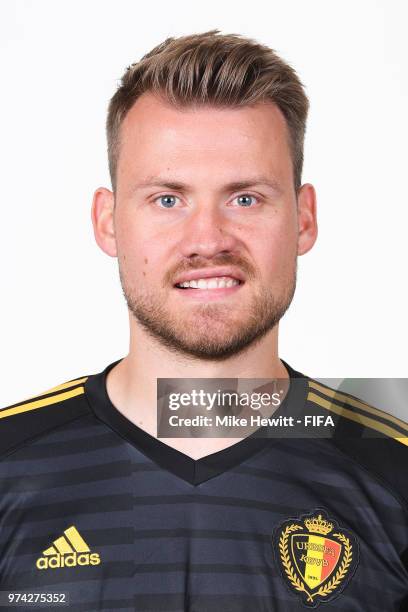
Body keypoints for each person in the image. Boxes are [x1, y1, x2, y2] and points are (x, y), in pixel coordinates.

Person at [1, 29, 407, 611]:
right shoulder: (10, 466)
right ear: (109, 222)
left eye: (245, 198)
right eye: (168, 199)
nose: (208, 239)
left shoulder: (392, 471)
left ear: (304, 219)